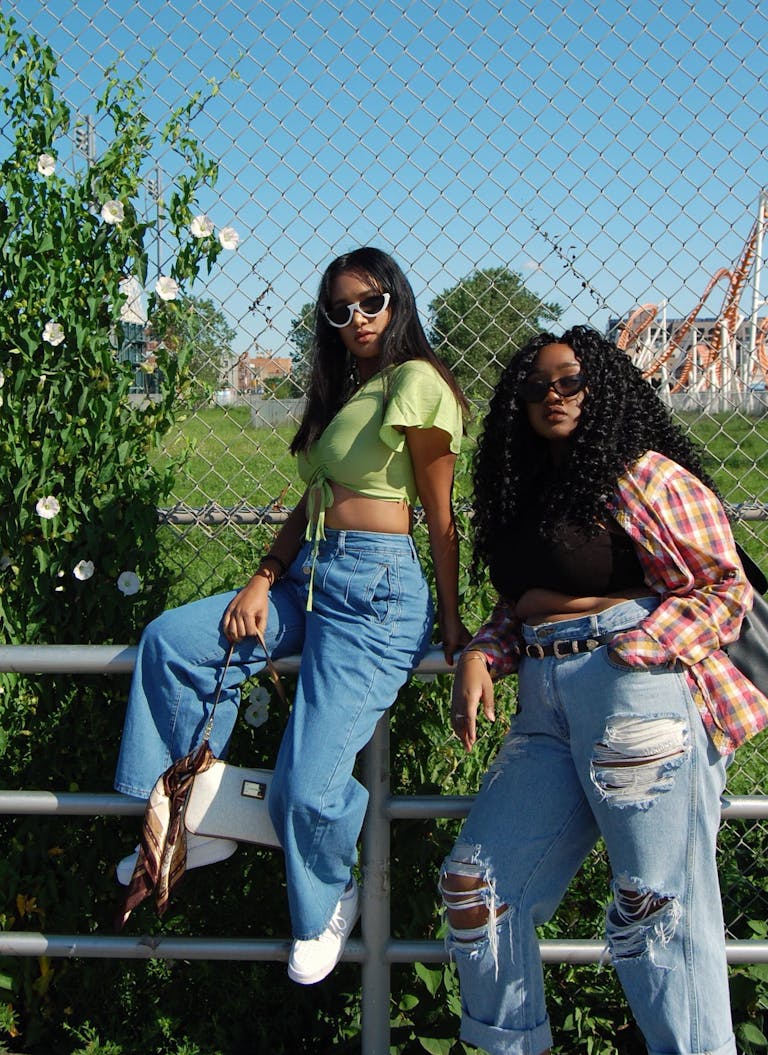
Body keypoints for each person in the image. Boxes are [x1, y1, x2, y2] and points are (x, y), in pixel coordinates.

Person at [114, 246, 470, 984]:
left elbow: (441, 518)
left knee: (304, 786)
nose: (357, 319)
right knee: (172, 642)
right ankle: (183, 821)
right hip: (308, 575)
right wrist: (261, 574)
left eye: (370, 302)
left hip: (378, 593)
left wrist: (457, 627)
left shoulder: (416, 382)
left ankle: (327, 900)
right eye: (340, 310)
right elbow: (313, 502)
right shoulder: (348, 392)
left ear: (396, 300)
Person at [440, 326, 768, 1055]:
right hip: (543, 701)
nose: (552, 397)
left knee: (655, 907)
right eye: (535, 388)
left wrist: (637, 647)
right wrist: (484, 652)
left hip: (632, 694)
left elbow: (724, 586)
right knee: (476, 886)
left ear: (603, 388)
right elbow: (525, 601)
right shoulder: (523, 491)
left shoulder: (643, 474)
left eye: (569, 382)